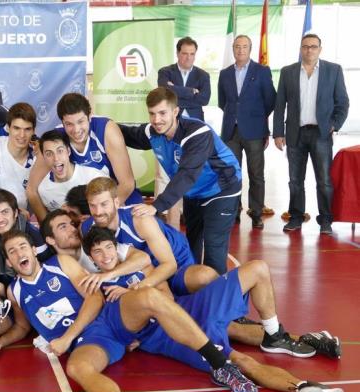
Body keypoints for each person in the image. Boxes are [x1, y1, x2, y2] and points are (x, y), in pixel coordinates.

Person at [0, 229, 258, 392]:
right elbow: (23, 328)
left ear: (33, 251)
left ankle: (220, 364)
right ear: (10, 261)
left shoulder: (60, 263)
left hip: (105, 319)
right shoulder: (15, 292)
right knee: (76, 367)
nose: (18, 253)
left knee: (149, 295)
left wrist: (67, 337)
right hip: (90, 342)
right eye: (11, 252)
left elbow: (94, 298)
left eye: (22, 247)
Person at [83, 226, 343, 392]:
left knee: (257, 268)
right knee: (242, 360)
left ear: (116, 249)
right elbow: (114, 329)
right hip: (165, 335)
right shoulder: (97, 290)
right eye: (98, 252)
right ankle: (305, 389)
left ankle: (280, 336)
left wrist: (133, 290)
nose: (105, 255)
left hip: (186, 308)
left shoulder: (137, 265)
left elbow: (166, 297)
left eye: (108, 248)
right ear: (91, 259)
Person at [119, 88, 242, 274]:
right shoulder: (153, 132)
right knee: (191, 244)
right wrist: (100, 124)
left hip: (222, 189)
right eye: (152, 114)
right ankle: (192, 289)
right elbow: (127, 134)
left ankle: (218, 298)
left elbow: (187, 174)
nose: (156, 120)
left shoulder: (197, 133)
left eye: (162, 113)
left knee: (213, 248)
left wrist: (157, 206)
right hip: (194, 192)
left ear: (175, 112)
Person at [82, 177, 217, 296]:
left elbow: (170, 265)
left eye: (104, 204)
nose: (98, 212)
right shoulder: (87, 228)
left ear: (116, 203)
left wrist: (137, 289)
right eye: (92, 205)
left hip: (174, 266)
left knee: (204, 276)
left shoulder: (140, 220)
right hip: (142, 271)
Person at [273, 33, 349, 234]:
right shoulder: (288, 72)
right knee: (295, 180)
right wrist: (278, 133)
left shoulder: (333, 70)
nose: (309, 50)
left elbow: (343, 102)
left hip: (321, 134)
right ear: (300, 48)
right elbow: (280, 105)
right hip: (294, 134)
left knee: (324, 180)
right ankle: (296, 217)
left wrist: (334, 124)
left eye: (313, 47)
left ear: (320, 49)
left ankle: (325, 220)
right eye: (306, 46)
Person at [26, 93, 140, 219]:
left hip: (119, 198)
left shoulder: (106, 130)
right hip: (86, 208)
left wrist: (98, 217)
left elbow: (127, 184)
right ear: (62, 122)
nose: (76, 129)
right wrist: (46, 228)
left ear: (90, 115)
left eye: (81, 121)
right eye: (69, 124)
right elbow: (31, 190)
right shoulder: (56, 139)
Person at [218, 35, 277, 229]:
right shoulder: (225, 73)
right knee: (231, 174)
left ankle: (256, 212)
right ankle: (233, 211)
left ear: (250, 49)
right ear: (233, 49)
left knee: (256, 174)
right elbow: (222, 102)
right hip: (230, 132)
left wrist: (255, 118)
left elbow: (270, 100)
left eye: (244, 47)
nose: (240, 50)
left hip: (254, 131)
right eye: (237, 47)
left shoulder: (261, 71)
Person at [39, 209, 151, 290]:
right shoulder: (56, 270)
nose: (73, 229)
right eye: (63, 227)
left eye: (72, 224)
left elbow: (143, 259)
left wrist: (108, 275)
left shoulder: (95, 243)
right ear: (50, 240)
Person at [0, 189, 52, 287]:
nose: (0, 219)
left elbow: (49, 270)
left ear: (15, 213)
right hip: (8, 285)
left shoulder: (34, 236)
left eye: (5, 212)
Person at [36, 130, 106, 215]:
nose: (56, 158)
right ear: (43, 157)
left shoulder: (94, 177)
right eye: (49, 154)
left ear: (68, 151)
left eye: (60, 151)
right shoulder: (44, 190)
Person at [157, 36, 210, 121]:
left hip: (195, 121)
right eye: (185, 53)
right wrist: (192, 91)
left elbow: (204, 100)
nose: (189, 58)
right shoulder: (165, 72)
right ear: (177, 53)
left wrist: (174, 90)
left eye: (192, 54)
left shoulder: (203, 75)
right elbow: (164, 93)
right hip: (171, 120)